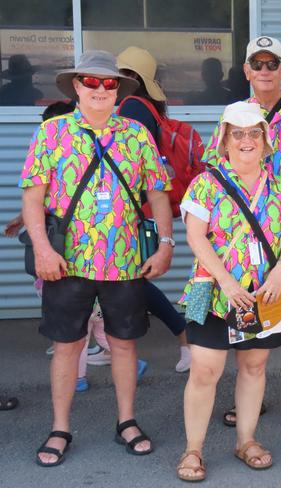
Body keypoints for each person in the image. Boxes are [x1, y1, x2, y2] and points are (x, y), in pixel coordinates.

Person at [20, 50, 172, 466]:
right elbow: (32, 198)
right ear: (76, 86)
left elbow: (159, 194)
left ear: (118, 90)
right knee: (68, 346)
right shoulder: (52, 133)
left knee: (124, 345)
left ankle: (127, 421)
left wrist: (164, 244)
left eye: (109, 84)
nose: (101, 90)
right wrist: (43, 249)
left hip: (125, 262)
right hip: (65, 262)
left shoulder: (136, 135)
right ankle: (60, 428)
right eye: (92, 82)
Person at [176, 102, 281, 480]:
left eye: (254, 133)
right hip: (213, 292)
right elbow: (196, 237)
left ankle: (246, 440)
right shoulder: (206, 183)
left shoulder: (280, 188)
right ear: (224, 139)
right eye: (238, 133)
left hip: (262, 294)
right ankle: (193, 450)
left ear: (266, 140)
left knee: (254, 365)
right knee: (205, 368)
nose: (246, 140)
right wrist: (227, 282)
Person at [202, 36, 281, 432]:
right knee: (249, 306)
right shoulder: (236, 113)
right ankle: (251, 394)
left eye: (273, 64)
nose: (266, 70)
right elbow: (213, 169)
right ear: (247, 71)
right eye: (258, 63)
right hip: (241, 234)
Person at [116, 46, 191, 373]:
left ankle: (183, 333)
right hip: (141, 205)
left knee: (132, 278)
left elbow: (130, 166)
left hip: (134, 208)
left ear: (131, 78)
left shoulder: (132, 107)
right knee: (127, 278)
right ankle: (109, 342)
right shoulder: (148, 106)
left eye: (118, 76)